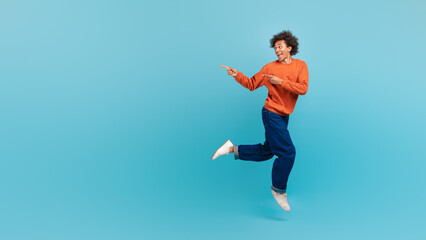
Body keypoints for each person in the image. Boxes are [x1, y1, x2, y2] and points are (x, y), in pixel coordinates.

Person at [212, 30, 309, 212]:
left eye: (280, 46)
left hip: (283, 116)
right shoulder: (269, 68)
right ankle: (279, 190)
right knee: (288, 152)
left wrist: (281, 82)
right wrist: (236, 74)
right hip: (271, 113)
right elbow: (251, 84)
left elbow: (303, 89)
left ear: (289, 47)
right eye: (275, 48)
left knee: (268, 151)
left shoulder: (301, 66)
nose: (277, 50)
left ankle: (230, 148)